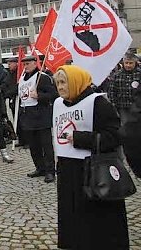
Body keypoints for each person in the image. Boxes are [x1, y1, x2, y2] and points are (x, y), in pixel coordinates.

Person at [53, 65, 129, 250]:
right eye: (58, 84)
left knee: (96, 219)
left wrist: (80, 138)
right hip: (68, 170)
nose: (60, 87)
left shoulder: (98, 103)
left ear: (76, 82)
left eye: (64, 82)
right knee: (72, 214)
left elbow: (115, 136)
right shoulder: (58, 103)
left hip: (94, 170)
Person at [18, 55, 58, 183]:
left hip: (41, 116)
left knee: (46, 145)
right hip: (27, 116)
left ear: (35, 63)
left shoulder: (43, 77)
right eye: (24, 64)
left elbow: (53, 94)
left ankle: (50, 171)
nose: (26, 66)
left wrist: (39, 96)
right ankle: (39, 167)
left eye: (28, 63)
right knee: (33, 146)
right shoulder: (23, 79)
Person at [4, 57, 26, 147]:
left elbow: (18, 87)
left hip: (20, 101)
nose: (8, 66)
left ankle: (26, 141)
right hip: (13, 101)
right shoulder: (9, 74)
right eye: (8, 64)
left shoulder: (20, 73)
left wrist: (10, 92)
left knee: (22, 121)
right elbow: (7, 84)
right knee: (16, 121)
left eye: (10, 64)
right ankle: (21, 139)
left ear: (16, 63)